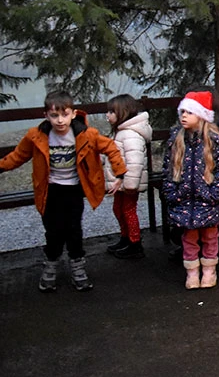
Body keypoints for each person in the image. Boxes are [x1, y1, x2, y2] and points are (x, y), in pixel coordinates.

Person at [0, 90, 127, 292]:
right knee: (53, 231)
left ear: (73, 113)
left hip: (74, 190)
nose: (60, 120)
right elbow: (17, 156)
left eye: (64, 114)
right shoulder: (36, 136)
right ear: (46, 115)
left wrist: (119, 173)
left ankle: (78, 268)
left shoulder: (86, 134)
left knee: (74, 230)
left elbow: (110, 147)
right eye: (54, 115)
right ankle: (50, 266)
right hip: (49, 192)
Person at [162, 91, 219, 289]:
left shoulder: (215, 141)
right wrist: (173, 194)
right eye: (182, 111)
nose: (184, 115)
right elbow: (167, 170)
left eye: (189, 112)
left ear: (201, 115)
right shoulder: (176, 140)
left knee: (210, 237)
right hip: (184, 201)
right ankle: (192, 272)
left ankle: (209, 270)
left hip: (208, 200)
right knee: (189, 238)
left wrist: (215, 194)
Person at [103, 94, 152, 259]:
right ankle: (125, 238)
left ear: (122, 112)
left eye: (111, 112)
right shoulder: (119, 132)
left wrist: (130, 184)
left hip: (128, 182)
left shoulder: (130, 134)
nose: (107, 115)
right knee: (118, 209)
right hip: (120, 183)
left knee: (128, 211)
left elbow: (135, 162)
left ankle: (135, 243)